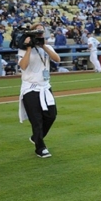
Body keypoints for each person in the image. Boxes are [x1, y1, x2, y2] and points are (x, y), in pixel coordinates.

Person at [17, 24, 60, 158]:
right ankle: (40, 147)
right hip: (30, 87)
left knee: (51, 115)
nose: (40, 34)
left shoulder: (46, 47)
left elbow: (57, 59)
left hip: (45, 86)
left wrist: (44, 46)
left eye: (42, 32)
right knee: (36, 119)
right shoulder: (23, 49)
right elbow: (23, 66)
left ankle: (36, 137)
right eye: (38, 32)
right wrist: (29, 48)